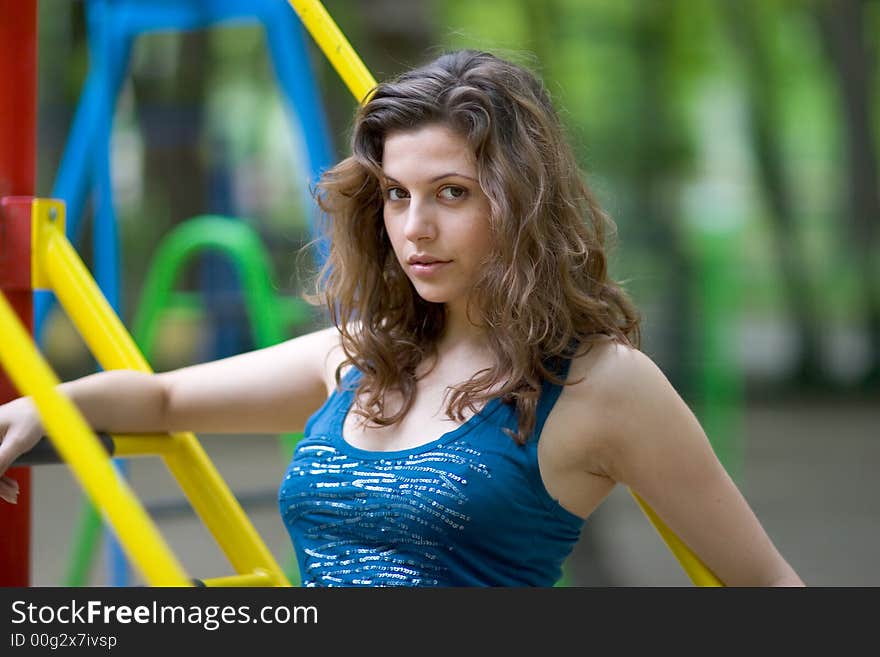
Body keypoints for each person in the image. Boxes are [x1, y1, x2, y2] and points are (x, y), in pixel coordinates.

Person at [0, 50, 803, 587]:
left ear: (521, 201)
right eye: (396, 194)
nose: (414, 227)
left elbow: (766, 586)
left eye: (451, 193)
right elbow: (166, 400)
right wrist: (41, 404)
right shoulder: (359, 356)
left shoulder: (603, 386)